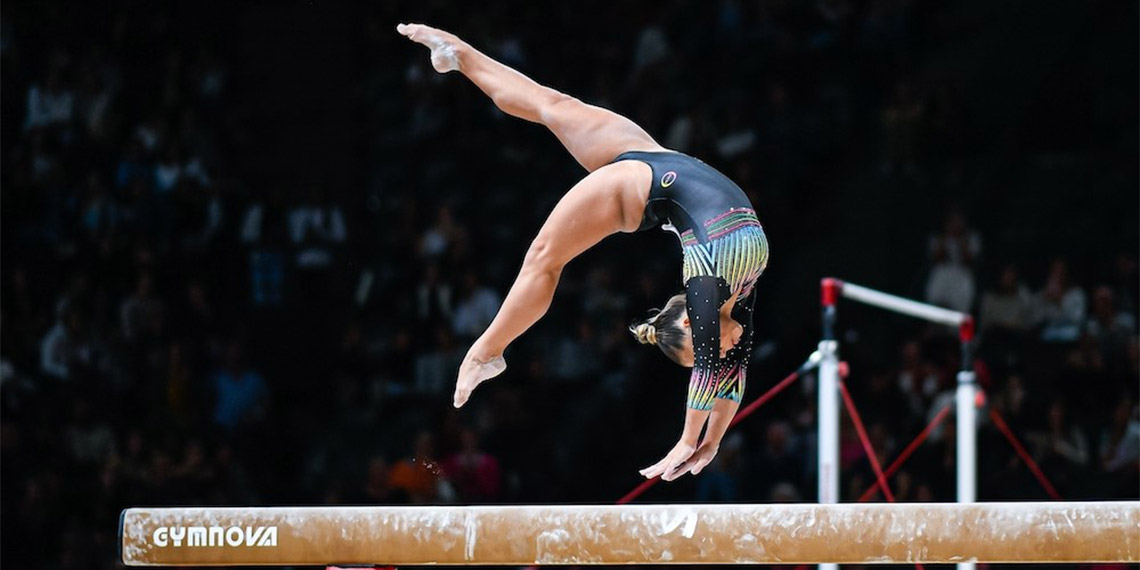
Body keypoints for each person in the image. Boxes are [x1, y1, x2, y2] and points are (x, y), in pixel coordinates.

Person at [398, 24, 770, 482]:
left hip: (649, 175)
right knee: (550, 113)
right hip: (646, 173)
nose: (724, 346)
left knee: (545, 236)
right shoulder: (724, 289)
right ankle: (458, 54)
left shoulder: (720, 285)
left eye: (696, 350)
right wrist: (698, 442)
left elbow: (723, 372)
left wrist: (700, 442)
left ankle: (484, 352)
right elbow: (721, 372)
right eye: (700, 349)